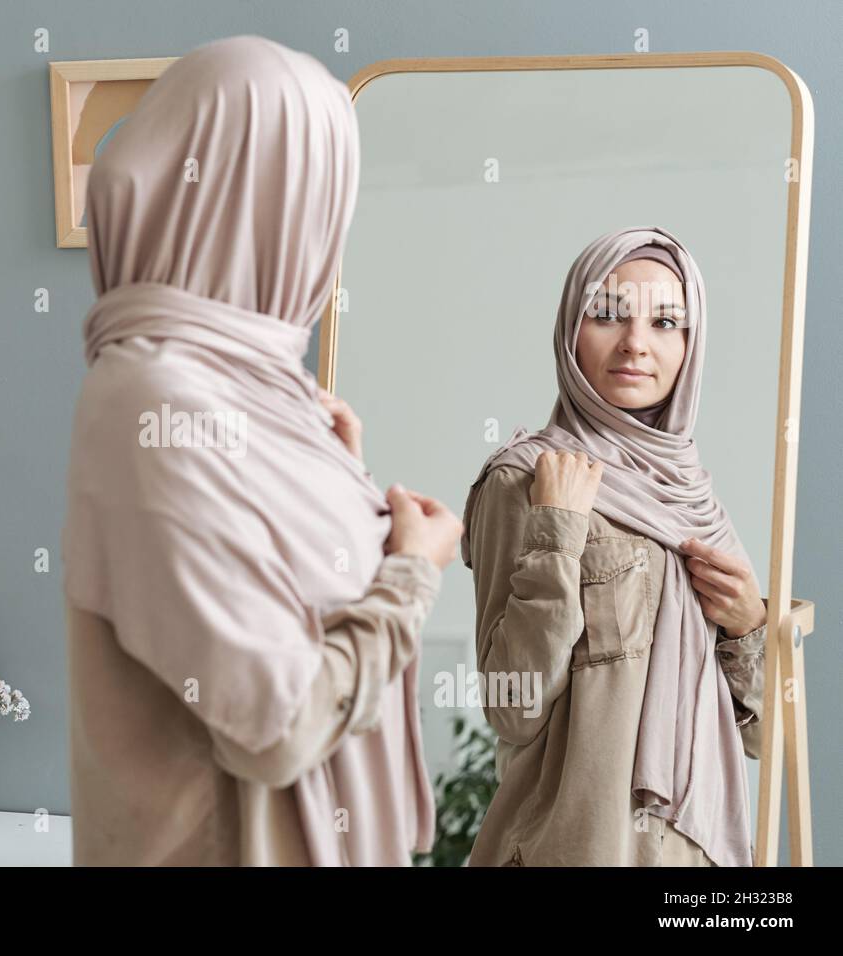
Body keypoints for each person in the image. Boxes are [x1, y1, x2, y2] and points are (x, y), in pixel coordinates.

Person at [61, 35, 462, 866]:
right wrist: (411, 575)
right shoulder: (153, 400)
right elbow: (278, 725)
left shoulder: (249, 391)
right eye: (318, 203)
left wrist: (337, 482)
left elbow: (283, 600)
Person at [460, 226, 768, 866]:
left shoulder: (695, 501)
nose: (636, 344)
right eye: (608, 315)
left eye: (665, 322)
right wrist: (556, 533)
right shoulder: (525, 479)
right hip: (574, 849)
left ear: (692, 344)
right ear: (572, 328)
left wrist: (748, 630)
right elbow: (512, 707)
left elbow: (767, 738)